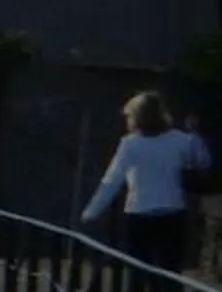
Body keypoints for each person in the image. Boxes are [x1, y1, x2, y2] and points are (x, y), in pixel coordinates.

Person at [83, 88, 201, 274]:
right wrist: (195, 137)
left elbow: (112, 180)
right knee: (170, 271)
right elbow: (201, 161)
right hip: (172, 212)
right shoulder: (180, 140)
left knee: (138, 272)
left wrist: (92, 211)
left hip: (139, 213)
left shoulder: (130, 144)